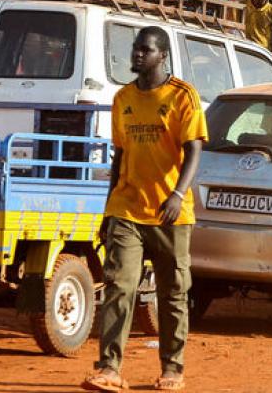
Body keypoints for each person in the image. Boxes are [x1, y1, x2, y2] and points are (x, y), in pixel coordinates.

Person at [83, 27, 205, 393]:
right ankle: (109, 368)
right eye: (135, 49)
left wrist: (177, 194)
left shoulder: (183, 95)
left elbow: (194, 149)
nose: (137, 55)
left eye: (145, 50)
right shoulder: (123, 98)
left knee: (173, 291)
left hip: (171, 212)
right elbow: (119, 155)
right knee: (119, 286)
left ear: (162, 55)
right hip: (128, 207)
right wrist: (108, 210)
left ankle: (172, 368)